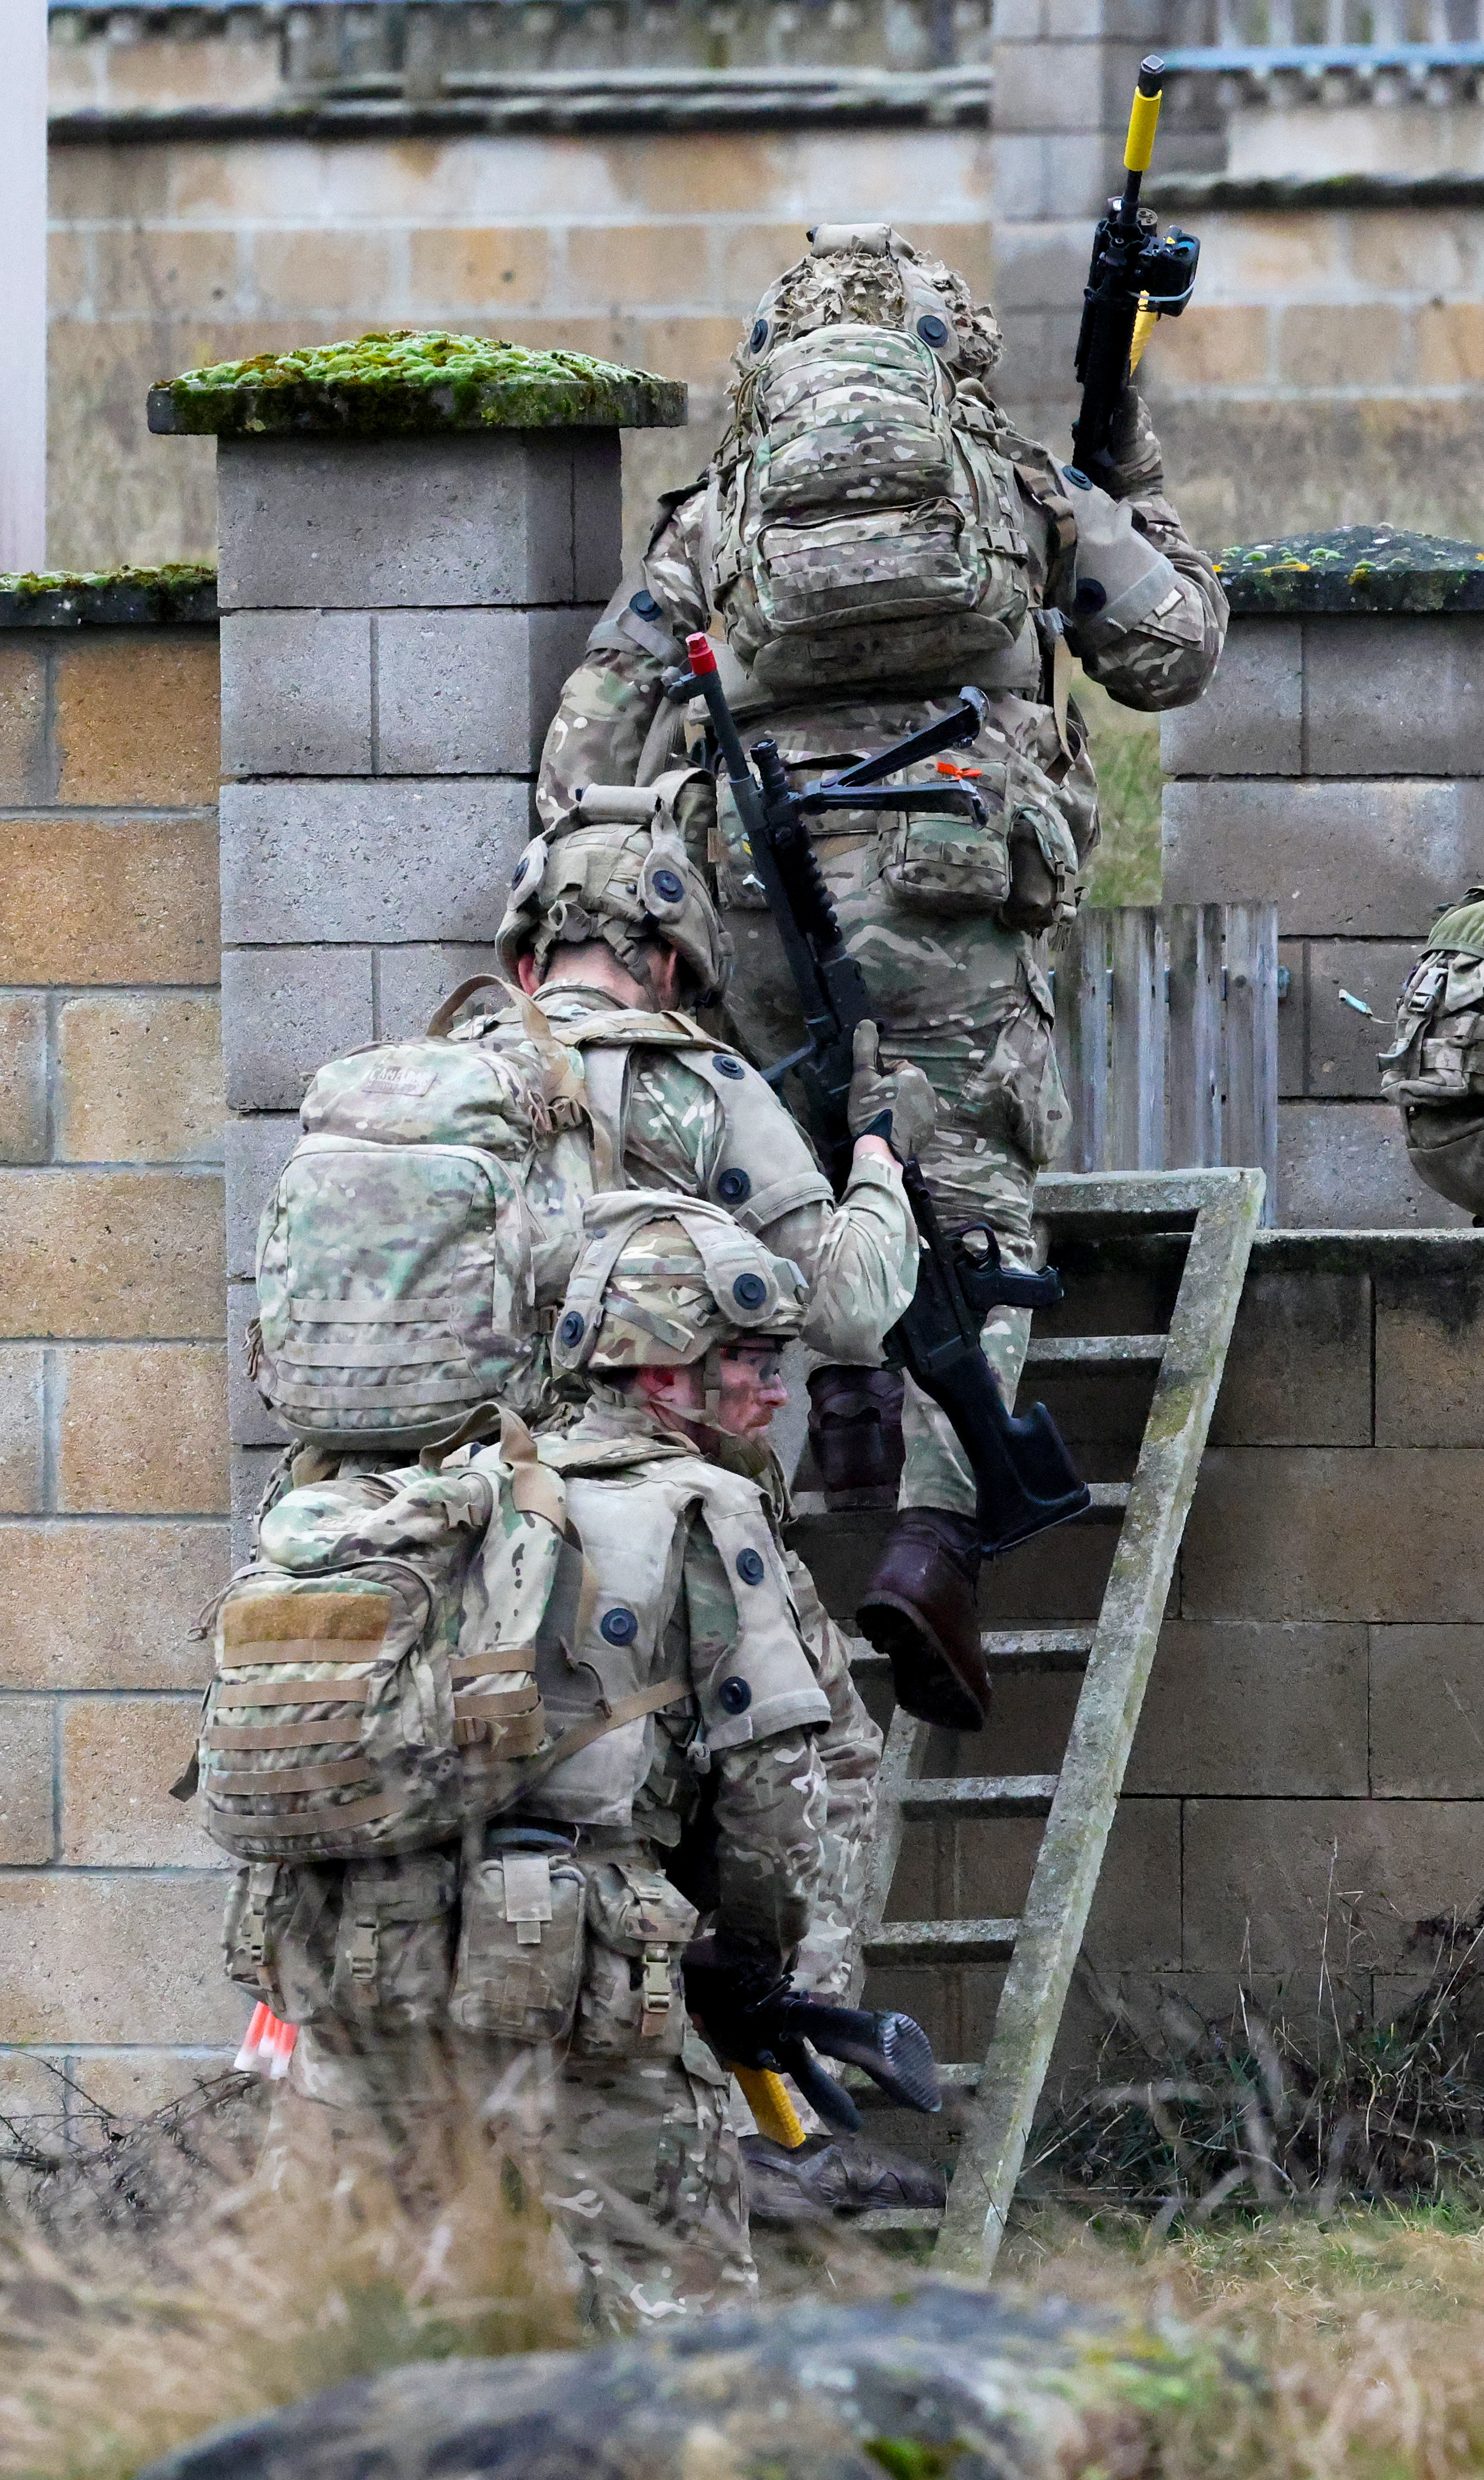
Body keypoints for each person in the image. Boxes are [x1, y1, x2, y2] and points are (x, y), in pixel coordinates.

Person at [533, 221, 1227, 1735]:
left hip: (759, 895)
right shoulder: (1012, 491)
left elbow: (585, 746)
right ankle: (924, 1537)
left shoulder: (720, 518)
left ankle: (800, 1489)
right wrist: (1129, 482)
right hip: (954, 889)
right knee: (966, 1220)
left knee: (789, 1189)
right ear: (943, 356)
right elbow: (1173, 654)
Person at [252, 1200, 921, 2324]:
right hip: (581, 1972)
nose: (774, 1389)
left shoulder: (438, 1495)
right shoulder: (706, 1509)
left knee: (358, 2312)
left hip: (358, 1953)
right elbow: (775, 1796)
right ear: (661, 1379)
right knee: (667, 2315)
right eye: (747, 1361)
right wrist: (754, 1957)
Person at [466, 794, 930, 2010]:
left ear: (523, 956)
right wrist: (878, 1164)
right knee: (816, 1759)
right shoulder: (690, 1084)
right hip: (655, 1517)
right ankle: (793, 2084)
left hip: (461, 1525)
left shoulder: (432, 1082)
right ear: (668, 960)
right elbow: (846, 1302)